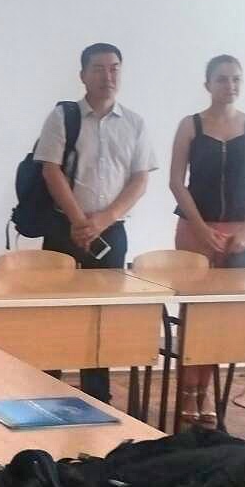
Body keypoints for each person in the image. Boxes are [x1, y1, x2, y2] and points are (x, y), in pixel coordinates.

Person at [37, 42, 157, 402]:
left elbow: (139, 179)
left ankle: (97, 396)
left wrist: (104, 219)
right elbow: (50, 169)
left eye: (114, 68)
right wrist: (79, 220)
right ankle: (48, 392)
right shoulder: (64, 116)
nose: (108, 76)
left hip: (111, 233)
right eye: (99, 68)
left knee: (100, 316)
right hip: (64, 229)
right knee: (55, 315)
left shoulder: (134, 123)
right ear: (83, 75)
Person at [168, 54, 245, 426]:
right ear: (207, 84)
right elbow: (176, 182)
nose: (230, 85)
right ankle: (186, 389)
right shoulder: (191, 125)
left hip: (237, 231)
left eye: (236, 79)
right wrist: (199, 227)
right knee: (194, 313)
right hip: (195, 229)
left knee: (219, 317)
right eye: (223, 79)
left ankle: (205, 390)